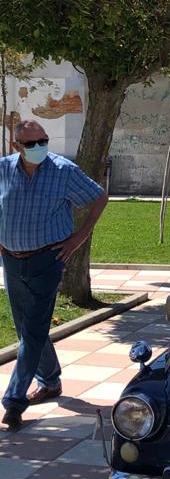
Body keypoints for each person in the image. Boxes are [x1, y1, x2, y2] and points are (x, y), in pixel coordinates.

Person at [1, 120, 108, 431]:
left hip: (48, 259)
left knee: (32, 331)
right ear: (16, 145)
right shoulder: (3, 169)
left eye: (43, 141)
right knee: (26, 330)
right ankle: (50, 380)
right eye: (31, 144)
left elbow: (99, 197)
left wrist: (79, 237)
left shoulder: (62, 170)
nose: (39, 148)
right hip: (11, 260)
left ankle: (14, 402)